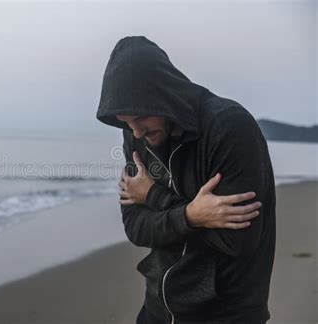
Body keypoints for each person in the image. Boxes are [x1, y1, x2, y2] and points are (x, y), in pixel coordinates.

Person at [96, 36, 276, 323]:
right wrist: (192, 215)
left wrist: (154, 197)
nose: (136, 133)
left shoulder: (229, 127)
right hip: (158, 308)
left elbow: (236, 239)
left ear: (163, 95)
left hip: (226, 313)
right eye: (125, 123)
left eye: (140, 119)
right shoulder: (135, 134)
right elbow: (135, 227)